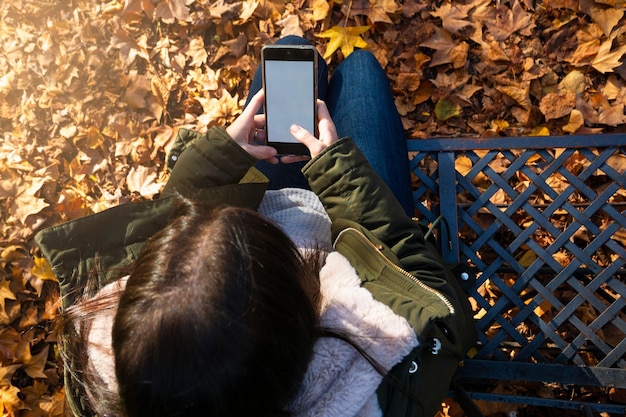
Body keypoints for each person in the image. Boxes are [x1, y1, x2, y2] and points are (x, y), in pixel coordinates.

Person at [35, 36, 476, 417]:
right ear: (306, 317)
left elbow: (169, 215)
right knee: (357, 66)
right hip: (358, 240)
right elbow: (439, 306)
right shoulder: (379, 385)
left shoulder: (103, 367)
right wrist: (340, 173)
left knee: (289, 53)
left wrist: (217, 159)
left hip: (279, 206)